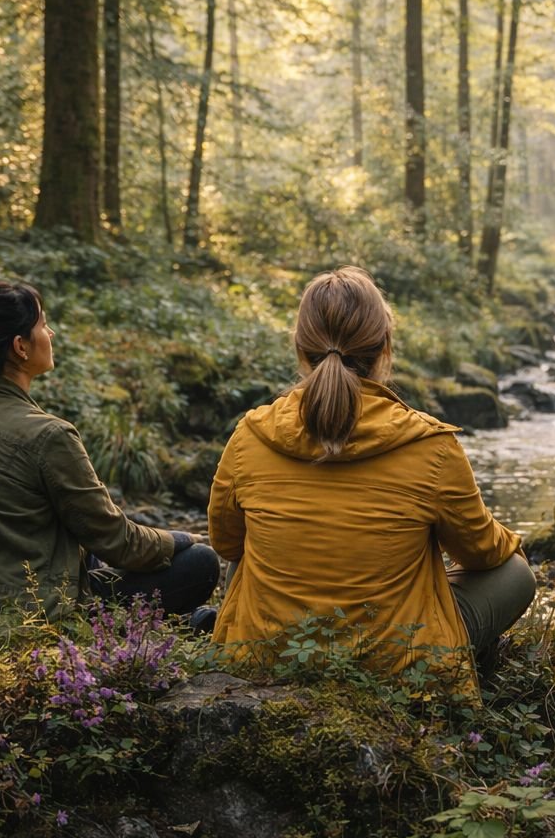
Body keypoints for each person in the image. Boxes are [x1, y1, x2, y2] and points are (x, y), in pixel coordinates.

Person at [207, 266, 536, 693]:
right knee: (517, 574)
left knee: (247, 548)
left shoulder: (250, 435)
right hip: (394, 663)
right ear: (385, 347)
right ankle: (440, 653)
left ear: (300, 349)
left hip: (268, 653)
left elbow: (226, 543)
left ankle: (250, 649)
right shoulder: (430, 445)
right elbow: (482, 553)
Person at [0, 281, 219, 621]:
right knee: (199, 563)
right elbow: (118, 542)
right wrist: (182, 537)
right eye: (43, 324)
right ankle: (132, 630)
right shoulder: (48, 434)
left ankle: (173, 624)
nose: (51, 333)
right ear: (20, 346)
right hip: (20, 613)